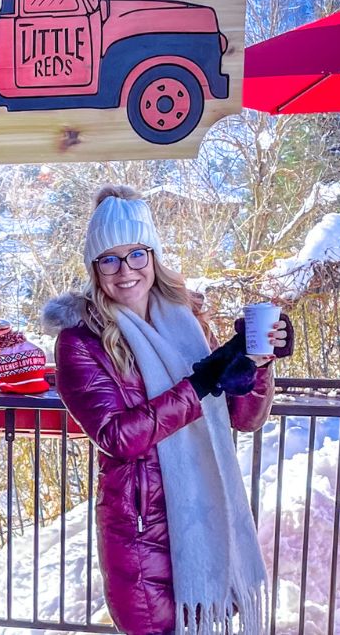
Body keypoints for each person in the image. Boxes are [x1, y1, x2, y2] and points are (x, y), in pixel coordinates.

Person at [41, 185, 292, 635]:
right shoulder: (80, 342)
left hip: (202, 515)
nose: (125, 271)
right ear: (95, 268)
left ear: (153, 256)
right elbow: (117, 436)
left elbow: (244, 417)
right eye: (109, 259)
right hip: (140, 532)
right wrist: (200, 383)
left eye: (136, 254)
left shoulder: (186, 320)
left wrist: (258, 360)